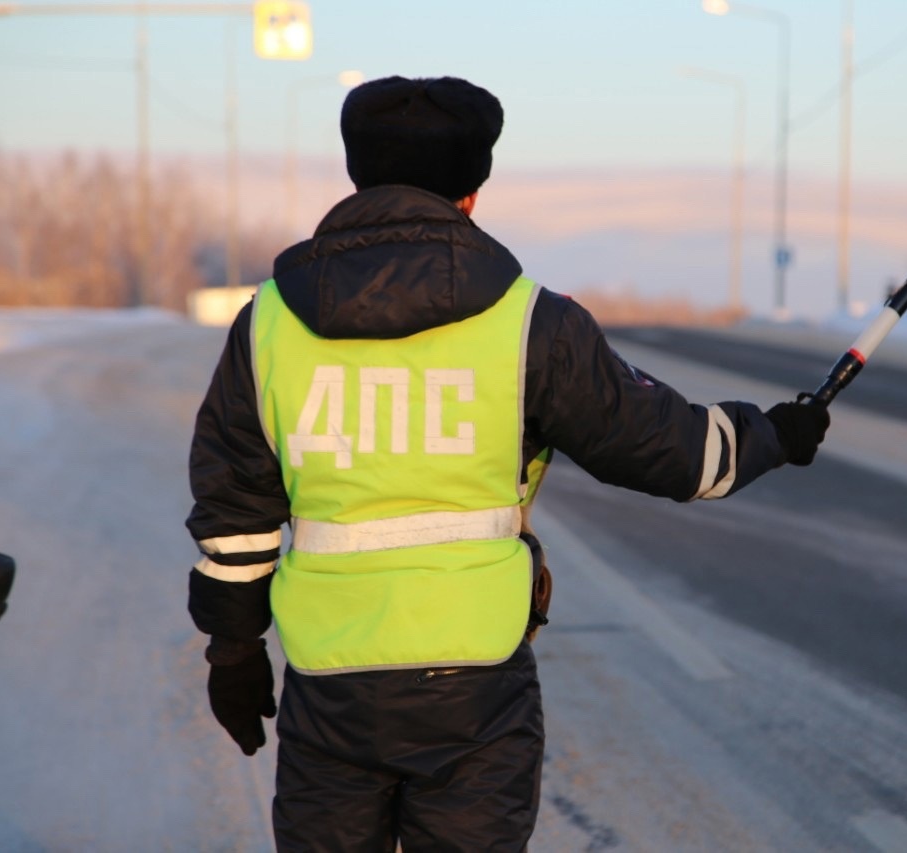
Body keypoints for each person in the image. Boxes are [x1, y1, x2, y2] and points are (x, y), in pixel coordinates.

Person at [185, 74, 831, 852]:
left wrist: (233, 649)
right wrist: (774, 434)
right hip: (478, 692)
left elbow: (235, 514)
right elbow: (678, 454)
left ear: (357, 176)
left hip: (330, 683)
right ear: (471, 194)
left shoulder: (270, 323)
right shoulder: (532, 322)